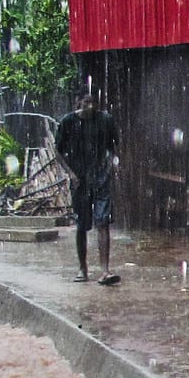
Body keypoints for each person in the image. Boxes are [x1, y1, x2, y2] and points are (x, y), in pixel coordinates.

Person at [55, 84, 121, 285]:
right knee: (82, 225)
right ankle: (82, 269)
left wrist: (111, 167)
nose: (90, 107)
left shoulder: (105, 120)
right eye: (86, 103)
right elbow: (58, 152)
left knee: (103, 222)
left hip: (101, 177)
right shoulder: (68, 122)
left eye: (93, 102)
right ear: (77, 102)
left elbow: (115, 147)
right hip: (80, 180)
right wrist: (71, 174)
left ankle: (105, 271)